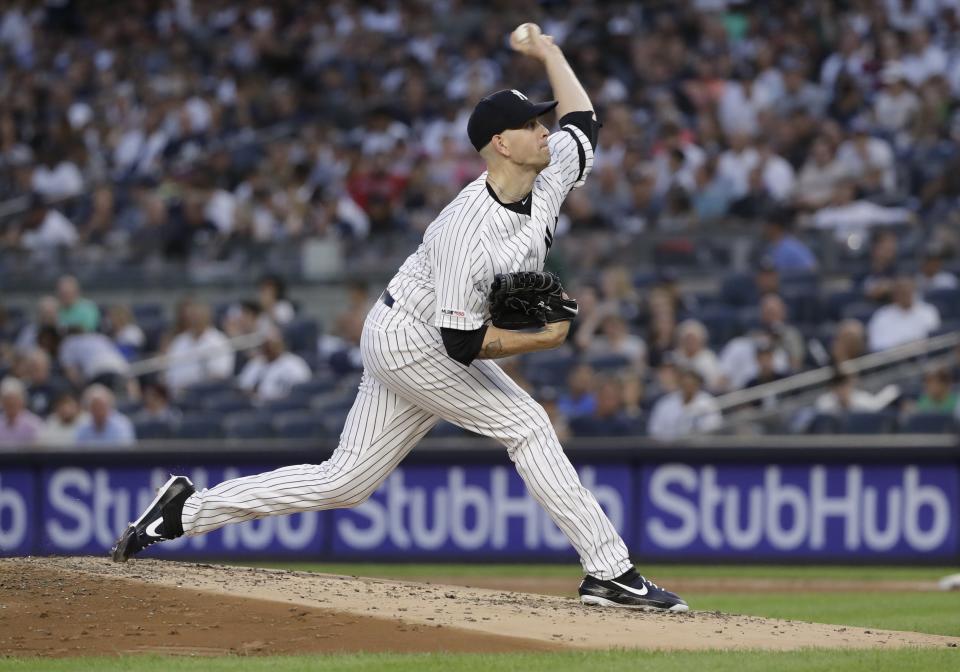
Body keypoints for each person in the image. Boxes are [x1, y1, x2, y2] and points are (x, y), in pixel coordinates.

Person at [112, 23, 687, 613]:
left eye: (542, 121)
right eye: (531, 124)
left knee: (345, 482)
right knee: (528, 425)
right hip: (414, 338)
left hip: (415, 331)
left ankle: (185, 510)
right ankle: (609, 572)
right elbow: (462, 344)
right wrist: (544, 336)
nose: (545, 130)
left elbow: (583, 120)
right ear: (502, 145)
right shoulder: (465, 232)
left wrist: (551, 52)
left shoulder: (550, 170)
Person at [866, 275, 941, 351]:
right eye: (901, 292)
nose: (905, 295)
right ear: (894, 294)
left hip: (923, 358)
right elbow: (876, 345)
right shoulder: (881, 315)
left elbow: (933, 339)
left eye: (908, 291)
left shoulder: (928, 311)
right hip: (892, 360)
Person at [237, 327, 312, 403]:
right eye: (267, 344)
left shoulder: (294, 363)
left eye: (273, 343)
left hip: (284, 405)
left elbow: (302, 389)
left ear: (281, 344)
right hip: (257, 406)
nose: (270, 347)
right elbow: (244, 387)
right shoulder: (255, 363)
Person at [647, 366, 722, 440]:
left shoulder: (707, 402)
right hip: (669, 448)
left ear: (698, 385)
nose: (688, 388)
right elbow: (655, 431)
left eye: (691, 384)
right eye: (685, 384)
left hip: (699, 448)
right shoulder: (666, 403)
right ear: (680, 384)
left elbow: (714, 428)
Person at [0, 377, 43, 447]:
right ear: (2, 402)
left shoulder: (34, 424)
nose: (11, 403)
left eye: (14, 401)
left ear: (22, 401)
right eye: (7, 401)